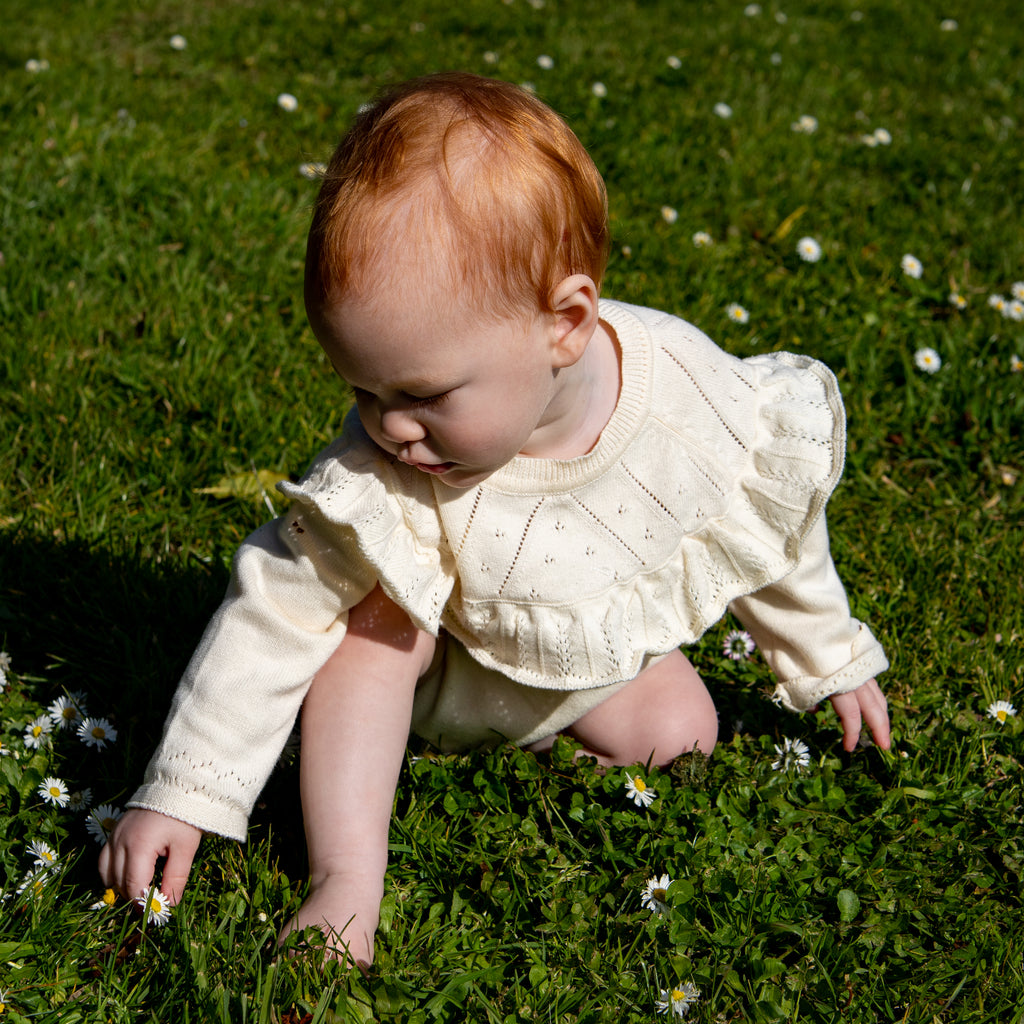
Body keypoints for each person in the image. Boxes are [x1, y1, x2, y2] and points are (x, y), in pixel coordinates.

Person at [99, 72, 891, 969]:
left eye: (423, 394)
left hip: (574, 667)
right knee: (375, 627)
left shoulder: (680, 390)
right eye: (361, 389)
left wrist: (828, 656)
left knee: (687, 735)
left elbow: (759, 515)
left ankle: (552, 745)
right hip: (431, 682)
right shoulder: (384, 467)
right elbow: (273, 616)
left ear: (565, 323)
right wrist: (186, 789)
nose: (389, 426)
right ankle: (349, 876)